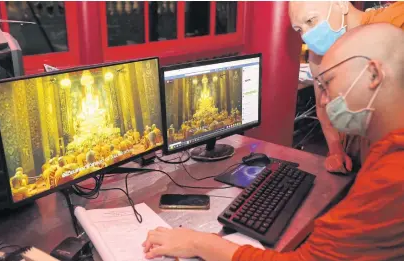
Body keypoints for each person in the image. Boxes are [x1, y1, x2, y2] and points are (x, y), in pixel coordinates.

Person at [142, 23, 404, 261]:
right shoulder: (386, 152)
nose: (323, 101)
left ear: (373, 74)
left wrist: (199, 242)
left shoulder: (393, 174)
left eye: (328, 83)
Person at [289, 1, 403, 174]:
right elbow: (322, 106)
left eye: (311, 21)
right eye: (299, 30)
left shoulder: (396, 19)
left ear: (341, 4)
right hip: (355, 150)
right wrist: (336, 150)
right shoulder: (318, 51)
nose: (306, 35)